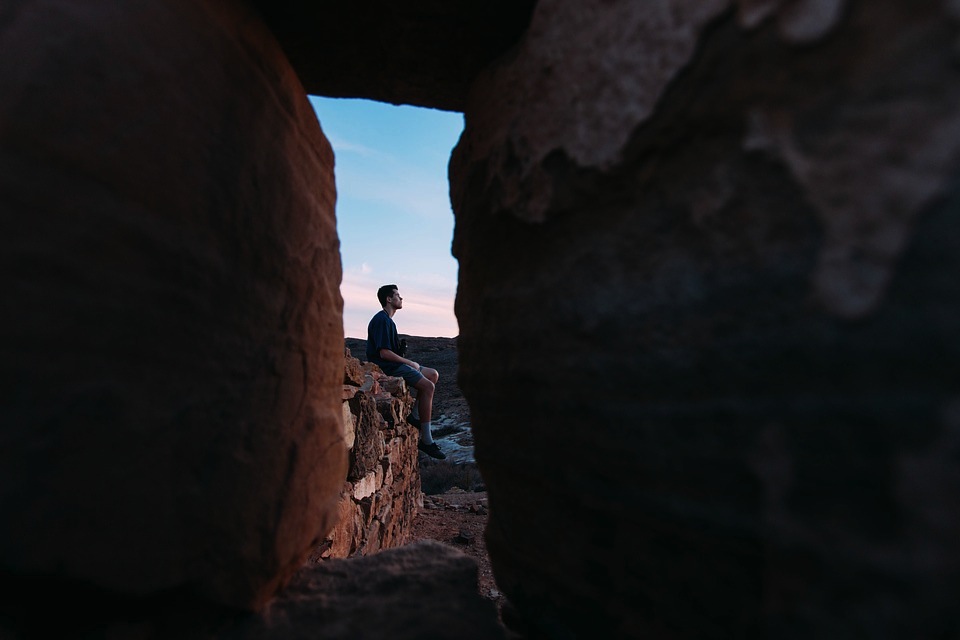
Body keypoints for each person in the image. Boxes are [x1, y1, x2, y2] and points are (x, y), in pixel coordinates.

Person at [366, 284, 446, 459]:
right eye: (397, 295)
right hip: (388, 367)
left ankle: (415, 415)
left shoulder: (389, 321)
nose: (401, 298)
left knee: (433, 374)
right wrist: (409, 362)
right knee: (428, 387)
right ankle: (427, 440)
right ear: (389, 299)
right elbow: (384, 353)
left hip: (395, 365)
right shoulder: (381, 320)